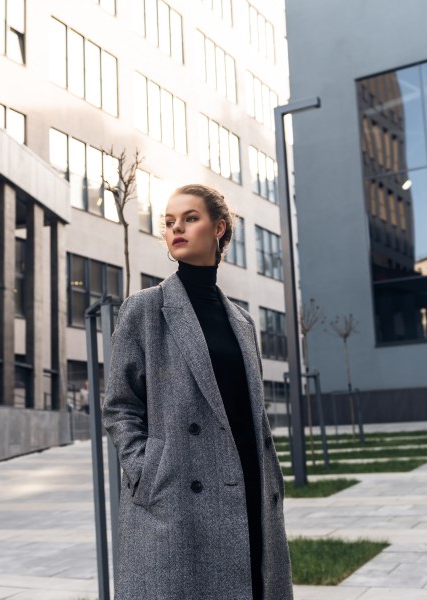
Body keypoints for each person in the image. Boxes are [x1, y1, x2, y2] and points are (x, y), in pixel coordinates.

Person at [102, 183, 293, 599]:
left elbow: (250, 414)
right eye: (169, 222)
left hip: (248, 487)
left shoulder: (241, 321)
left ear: (219, 228)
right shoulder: (145, 309)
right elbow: (119, 407)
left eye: (190, 218)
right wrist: (149, 470)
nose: (177, 228)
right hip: (176, 496)